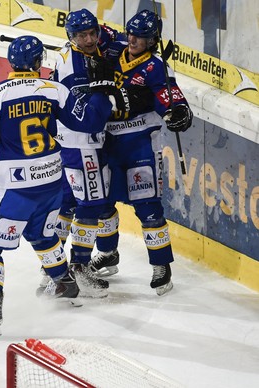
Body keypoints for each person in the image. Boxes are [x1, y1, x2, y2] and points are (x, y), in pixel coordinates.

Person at [0, 35, 140, 336]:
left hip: (15, 187)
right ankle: (65, 283)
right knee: (43, 235)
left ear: (11, 62)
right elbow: (88, 122)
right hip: (51, 183)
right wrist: (100, 92)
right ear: (38, 63)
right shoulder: (54, 90)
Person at [89, 9, 193, 295]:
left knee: (148, 208)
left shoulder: (155, 68)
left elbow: (170, 98)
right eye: (131, 33)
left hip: (140, 144)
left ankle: (161, 266)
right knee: (103, 202)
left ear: (152, 40)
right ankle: (108, 253)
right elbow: (96, 31)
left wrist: (178, 112)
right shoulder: (115, 49)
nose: (134, 39)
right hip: (108, 142)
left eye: (142, 37)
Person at [47, 8, 129, 297]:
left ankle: (55, 270)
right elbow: (90, 117)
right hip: (83, 143)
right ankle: (79, 268)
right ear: (71, 37)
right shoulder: (74, 68)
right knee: (91, 205)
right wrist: (105, 93)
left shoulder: (83, 49)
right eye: (82, 35)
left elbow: (114, 38)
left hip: (71, 143)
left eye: (92, 33)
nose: (90, 38)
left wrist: (118, 45)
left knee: (69, 202)